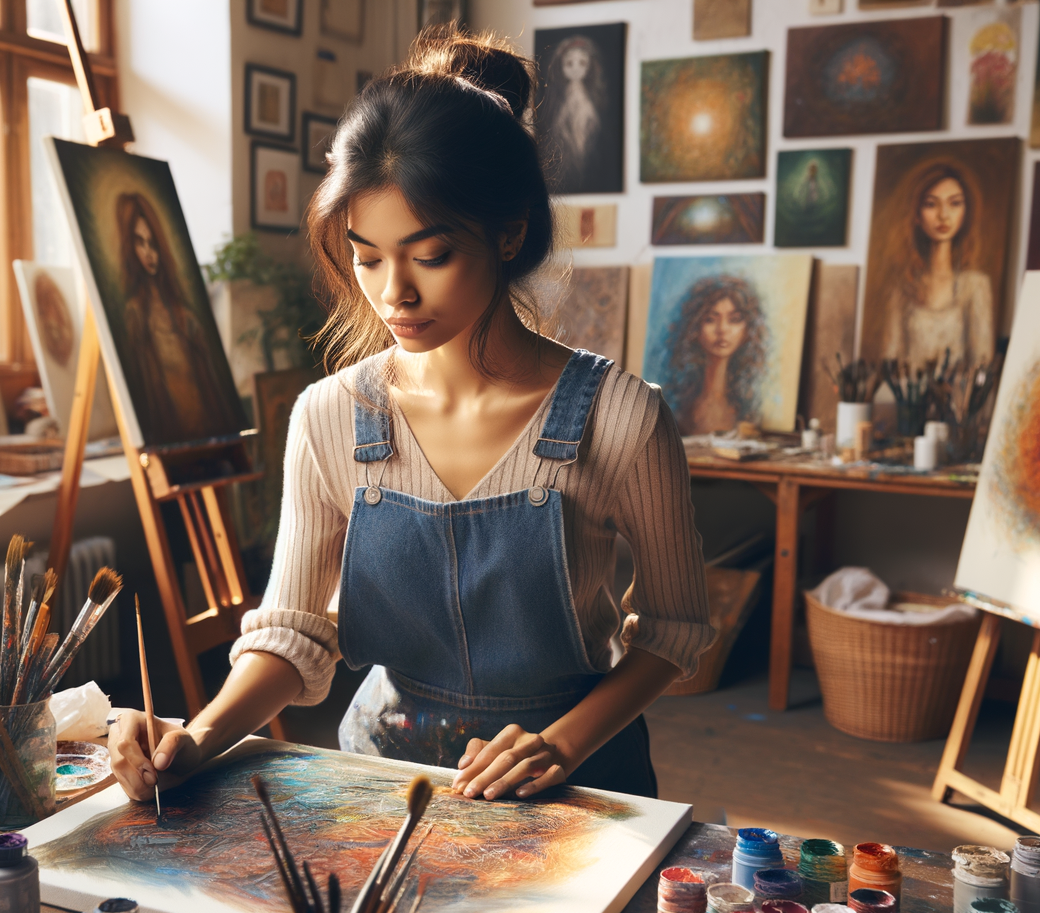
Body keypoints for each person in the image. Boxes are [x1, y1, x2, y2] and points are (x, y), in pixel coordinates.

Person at [109, 28, 712, 803]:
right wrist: (196, 737)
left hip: (576, 786)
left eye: (429, 256)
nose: (393, 292)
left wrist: (560, 745)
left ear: (509, 234)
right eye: (367, 257)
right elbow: (292, 634)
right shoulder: (330, 417)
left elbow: (672, 630)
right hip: (387, 781)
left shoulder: (622, 418)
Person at [116, 191, 242, 445]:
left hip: (204, 431)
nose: (149, 253)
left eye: (153, 244)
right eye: (140, 243)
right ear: (130, 248)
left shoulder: (183, 314)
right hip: (166, 434)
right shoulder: (135, 313)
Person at [879, 164, 994, 367]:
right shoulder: (901, 288)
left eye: (954, 203)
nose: (943, 215)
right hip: (908, 387)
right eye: (931, 204)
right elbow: (890, 361)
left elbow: (982, 363)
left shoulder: (976, 286)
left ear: (965, 211)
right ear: (916, 214)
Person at [660, 275, 769, 435]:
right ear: (694, 328)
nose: (722, 329)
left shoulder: (749, 407)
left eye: (734, 319)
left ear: (748, 330)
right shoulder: (677, 405)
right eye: (710, 319)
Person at [539, 34, 607, 193]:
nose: (576, 69)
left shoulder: (587, 97)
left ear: (590, 67)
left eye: (582, 63)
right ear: (560, 66)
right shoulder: (558, 98)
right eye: (569, 63)